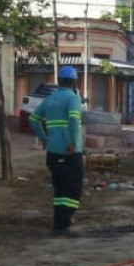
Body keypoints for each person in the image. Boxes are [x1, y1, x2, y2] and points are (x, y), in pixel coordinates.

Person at [29, 66, 85, 236]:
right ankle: (63, 224)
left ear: (59, 81)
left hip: (53, 152)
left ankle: (60, 223)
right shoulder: (73, 98)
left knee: (60, 188)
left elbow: (33, 119)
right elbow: (74, 121)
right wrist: (73, 142)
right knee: (73, 188)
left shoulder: (50, 99)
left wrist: (44, 138)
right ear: (75, 81)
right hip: (70, 152)